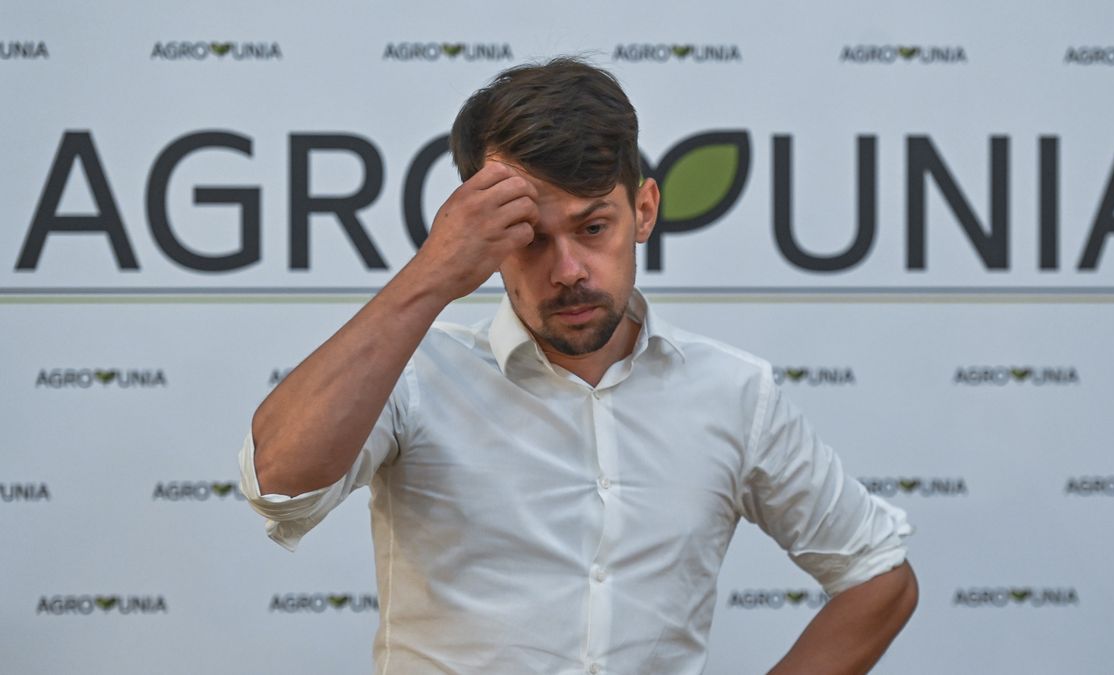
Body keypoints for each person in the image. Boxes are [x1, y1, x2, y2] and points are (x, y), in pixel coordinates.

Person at [240, 56, 917, 674]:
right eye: (530, 236)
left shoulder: (734, 392)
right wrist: (431, 273)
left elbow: (879, 574)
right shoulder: (418, 375)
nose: (567, 271)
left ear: (644, 210)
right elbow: (278, 483)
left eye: (594, 228)